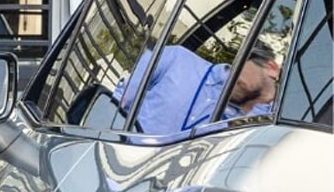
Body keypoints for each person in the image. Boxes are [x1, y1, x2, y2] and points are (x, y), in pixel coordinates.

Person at [114, 39, 281, 133]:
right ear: (270, 66)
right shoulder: (176, 59)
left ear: (272, 69)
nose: (236, 73)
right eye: (238, 62)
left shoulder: (268, 125)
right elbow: (116, 103)